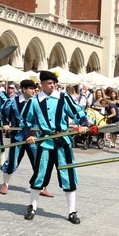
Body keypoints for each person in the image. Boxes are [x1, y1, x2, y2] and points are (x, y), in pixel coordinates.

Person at [21, 70, 88, 223]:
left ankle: (72, 211)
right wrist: (28, 135)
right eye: (50, 83)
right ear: (42, 84)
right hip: (44, 142)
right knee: (39, 174)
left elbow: (77, 112)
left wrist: (83, 124)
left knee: (68, 176)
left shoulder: (64, 98)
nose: (53, 86)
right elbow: (25, 121)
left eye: (54, 83)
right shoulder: (34, 101)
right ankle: (32, 206)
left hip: (63, 141)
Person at [0, 79, 52, 197]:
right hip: (18, 137)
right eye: (31, 89)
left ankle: (42, 187)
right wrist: (6, 123)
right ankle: (5, 184)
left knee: (38, 161)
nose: (34, 91)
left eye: (35, 89)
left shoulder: (37, 102)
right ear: (24, 89)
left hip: (33, 137)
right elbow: (3, 112)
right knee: (12, 161)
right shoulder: (13, 101)